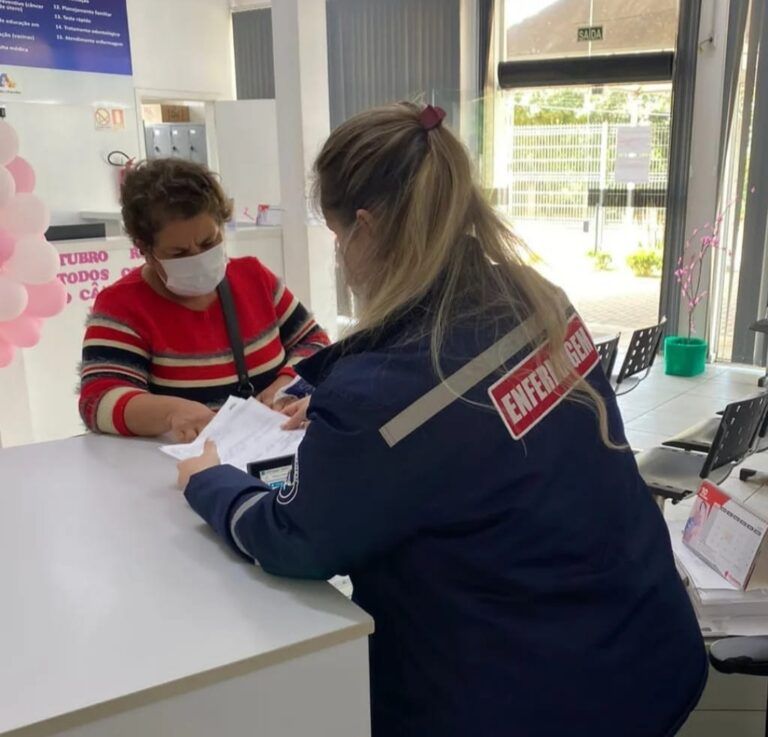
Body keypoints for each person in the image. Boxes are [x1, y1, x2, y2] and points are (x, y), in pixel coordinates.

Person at [177, 102, 707, 736]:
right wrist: (344, 412)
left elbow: (294, 539)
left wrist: (209, 481)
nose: (341, 255)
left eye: (338, 236)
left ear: (366, 230)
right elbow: (479, 423)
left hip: (530, 701)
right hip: (647, 647)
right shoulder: (536, 297)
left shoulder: (381, 398)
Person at [79, 158, 329, 441]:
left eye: (209, 242)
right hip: (185, 461)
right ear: (146, 250)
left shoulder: (254, 278)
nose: (198, 257)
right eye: (179, 253)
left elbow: (315, 343)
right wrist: (171, 412)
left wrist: (286, 383)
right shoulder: (122, 306)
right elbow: (97, 401)